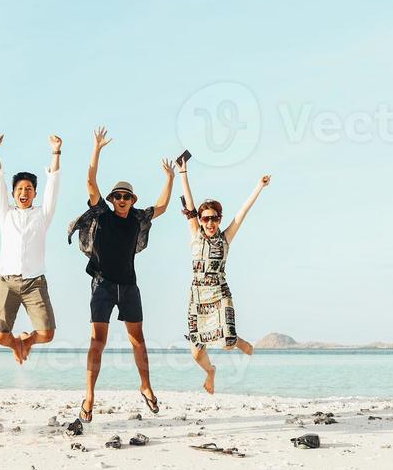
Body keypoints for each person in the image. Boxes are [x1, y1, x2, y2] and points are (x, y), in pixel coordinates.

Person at [66, 126, 174, 422]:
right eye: (118, 196)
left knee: (138, 339)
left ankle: (146, 387)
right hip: (101, 285)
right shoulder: (102, 213)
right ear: (112, 199)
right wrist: (97, 148)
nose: (122, 200)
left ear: (132, 200)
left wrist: (170, 178)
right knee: (97, 341)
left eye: (127, 196)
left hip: (129, 287)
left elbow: (162, 207)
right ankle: (89, 398)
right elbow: (90, 180)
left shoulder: (138, 218)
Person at [178, 167, 271, 393]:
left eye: (215, 218)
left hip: (220, 294)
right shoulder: (195, 234)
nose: (211, 223)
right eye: (206, 218)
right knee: (196, 352)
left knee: (228, 342)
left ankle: (236, 340)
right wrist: (183, 173)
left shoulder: (226, 238)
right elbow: (189, 205)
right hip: (198, 298)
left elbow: (242, 213)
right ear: (200, 220)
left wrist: (259, 186)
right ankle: (211, 371)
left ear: (220, 219)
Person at [0, 132, 62, 364]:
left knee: (47, 334)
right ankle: (15, 344)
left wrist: (56, 152)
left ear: (35, 193)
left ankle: (25, 342)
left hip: (34, 281)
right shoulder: (6, 214)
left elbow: (53, 187)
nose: (24, 192)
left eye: (29, 189)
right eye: (20, 189)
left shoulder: (42, 215)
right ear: (13, 193)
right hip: (7, 281)